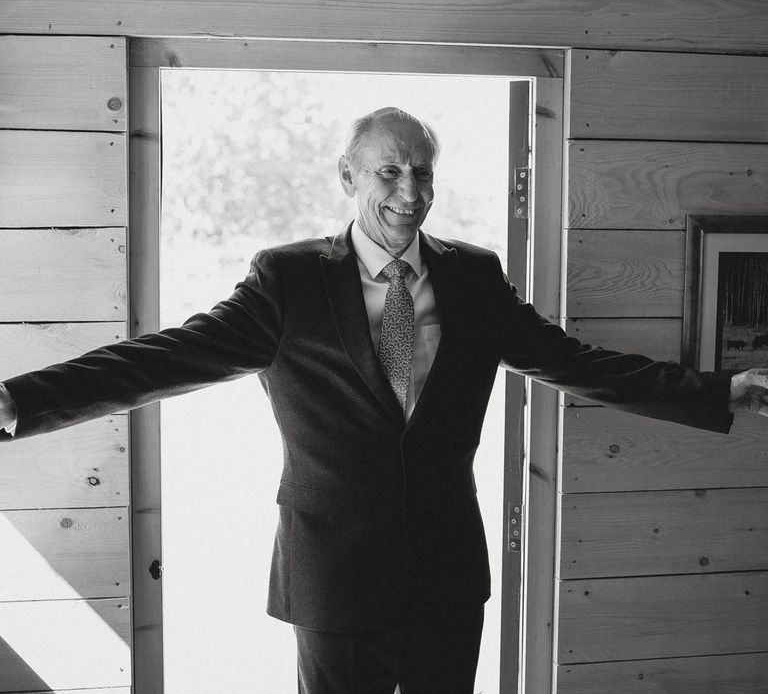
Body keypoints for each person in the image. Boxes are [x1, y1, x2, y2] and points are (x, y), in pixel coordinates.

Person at [1, 106, 768, 693]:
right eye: (390, 173)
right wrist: (18, 400)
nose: (411, 192)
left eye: (425, 173)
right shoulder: (287, 281)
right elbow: (164, 359)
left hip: (446, 572)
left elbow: (573, 361)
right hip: (334, 575)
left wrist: (715, 390)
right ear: (348, 176)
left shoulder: (473, 277)